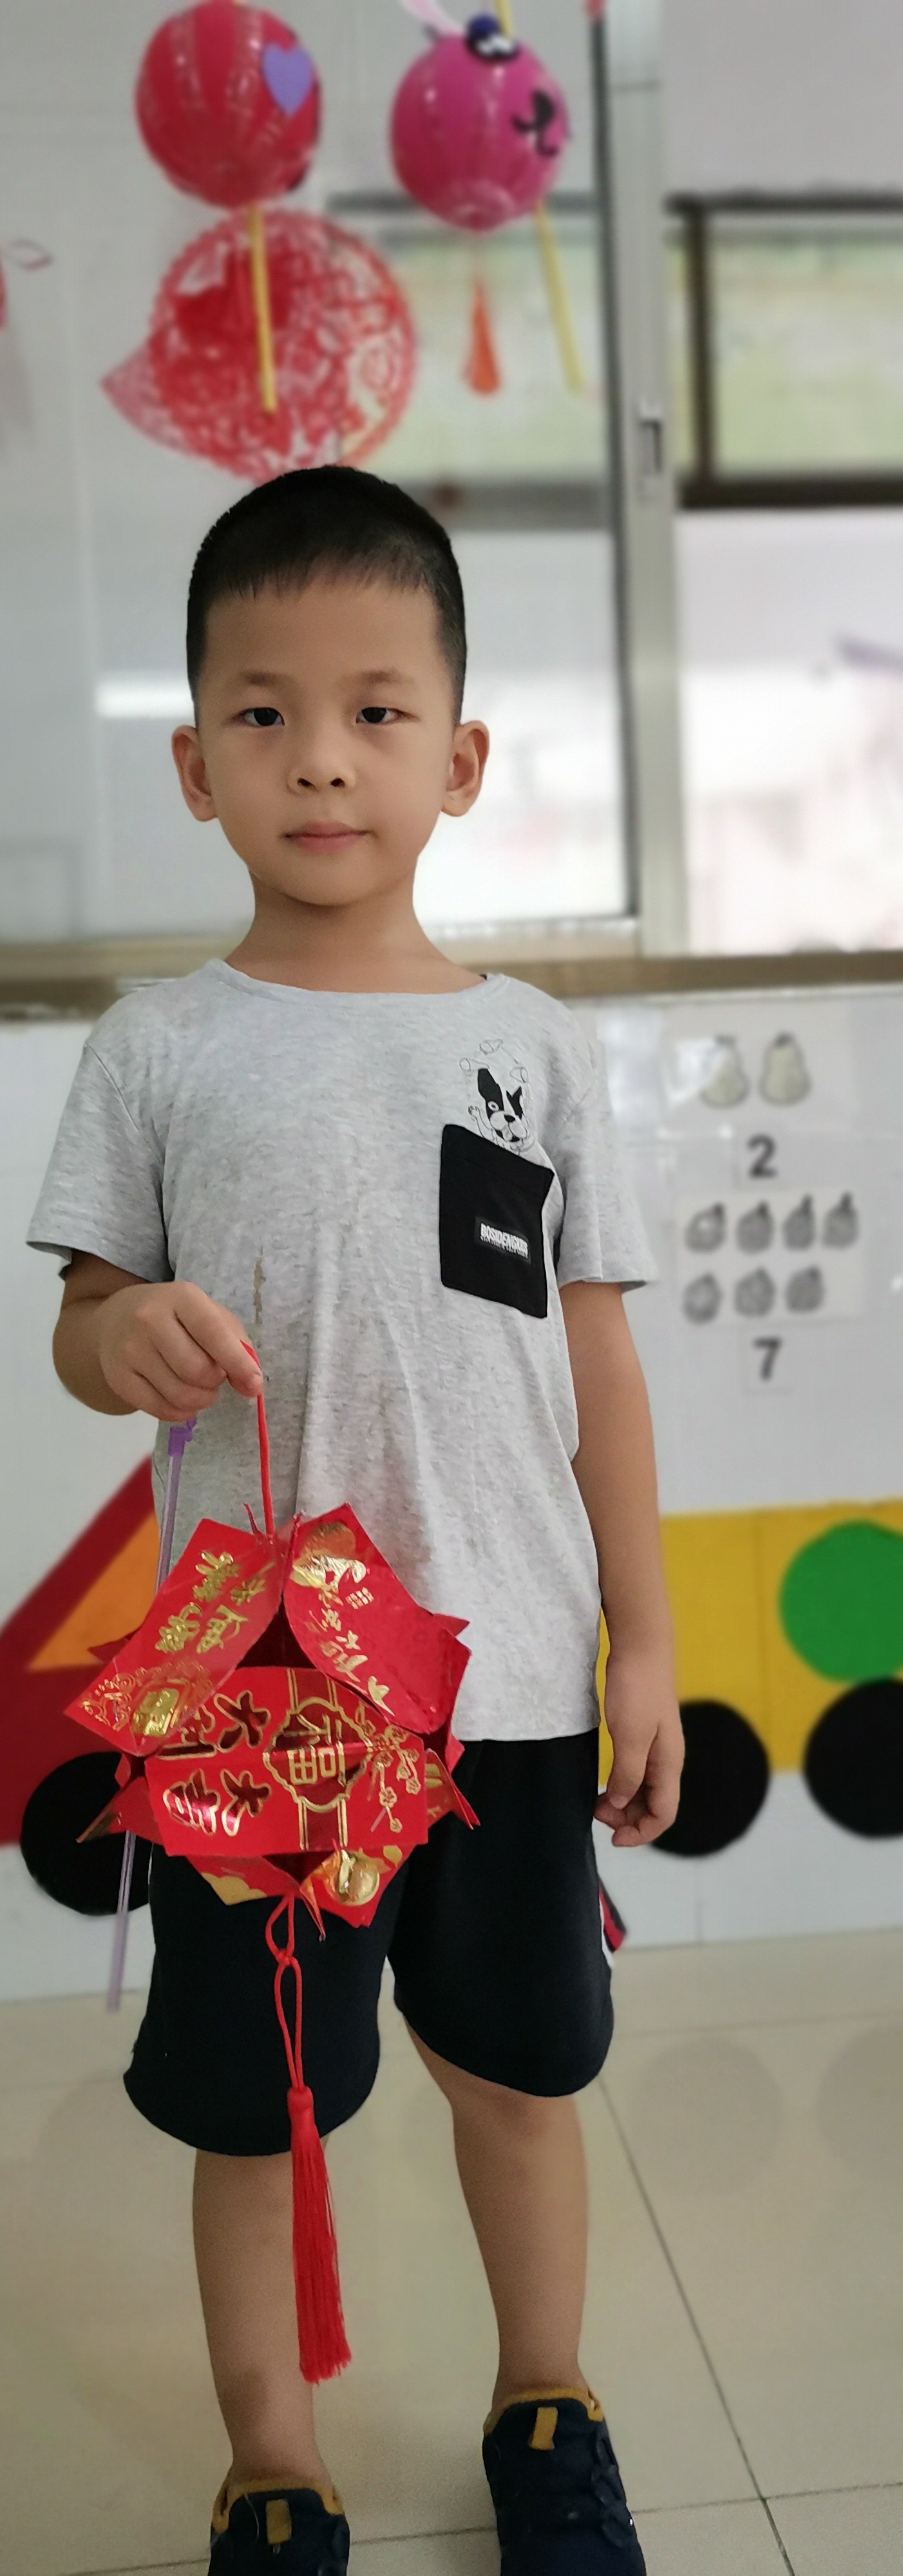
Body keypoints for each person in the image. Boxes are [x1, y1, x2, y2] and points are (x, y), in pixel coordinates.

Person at [29, 466, 684, 2576]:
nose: (320, 756)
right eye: (264, 712)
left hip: (510, 1675)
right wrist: (116, 1339)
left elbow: (596, 1367)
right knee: (258, 2108)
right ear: (195, 763)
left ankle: (545, 2401)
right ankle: (270, 2461)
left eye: (376, 710)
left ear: (459, 759)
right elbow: (83, 1327)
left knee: (522, 2075)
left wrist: (648, 1641)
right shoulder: (157, 1049)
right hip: (258, 1689)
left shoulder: (533, 1054)